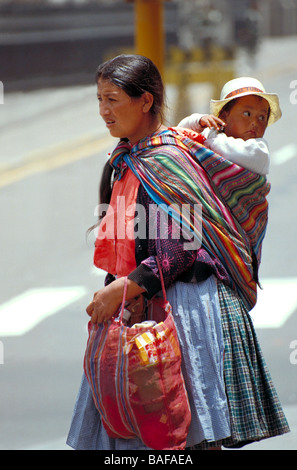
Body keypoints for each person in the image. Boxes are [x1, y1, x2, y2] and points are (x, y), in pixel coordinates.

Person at [67, 55, 289, 450]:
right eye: (99, 99)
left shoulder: (167, 160)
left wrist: (120, 292)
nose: (103, 110)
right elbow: (128, 244)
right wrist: (117, 297)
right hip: (138, 309)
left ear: (146, 101)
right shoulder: (124, 162)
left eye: (112, 99)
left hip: (184, 311)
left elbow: (179, 252)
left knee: (182, 440)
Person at [178, 76, 282, 175]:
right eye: (247, 114)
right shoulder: (211, 131)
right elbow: (180, 132)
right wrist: (199, 120)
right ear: (223, 116)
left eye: (262, 117)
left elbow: (234, 153)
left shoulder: (259, 149)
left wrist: (207, 143)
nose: (255, 122)